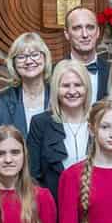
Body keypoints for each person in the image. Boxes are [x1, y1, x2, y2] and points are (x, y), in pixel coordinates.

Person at [28, 59, 98, 194]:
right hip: (55, 203)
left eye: (78, 85)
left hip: (97, 202)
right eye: (65, 86)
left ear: (87, 88)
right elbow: (33, 175)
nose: (72, 91)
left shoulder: (99, 120)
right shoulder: (40, 123)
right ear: (56, 89)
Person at [0, 32, 52, 133]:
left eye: (35, 55)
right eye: (21, 57)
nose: (29, 61)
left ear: (45, 58)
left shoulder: (58, 97)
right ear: (13, 63)